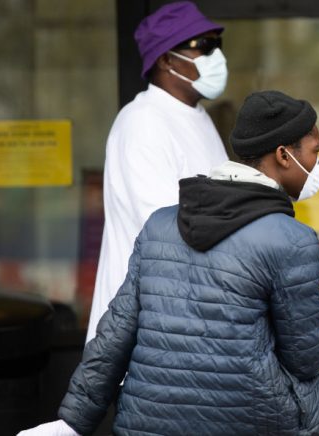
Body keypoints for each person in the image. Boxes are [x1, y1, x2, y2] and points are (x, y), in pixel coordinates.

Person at [19, 91, 319, 435]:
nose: (318, 164)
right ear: (283, 155)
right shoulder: (291, 239)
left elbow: (115, 335)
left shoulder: (160, 224)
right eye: (315, 151)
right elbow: (305, 362)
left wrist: (72, 424)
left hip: (145, 420)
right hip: (251, 417)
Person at [86, 1, 229, 342]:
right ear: (166, 59)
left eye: (217, 45)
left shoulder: (198, 118)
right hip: (142, 335)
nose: (217, 58)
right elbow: (167, 230)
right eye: (204, 47)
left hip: (187, 328)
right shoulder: (143, 122)